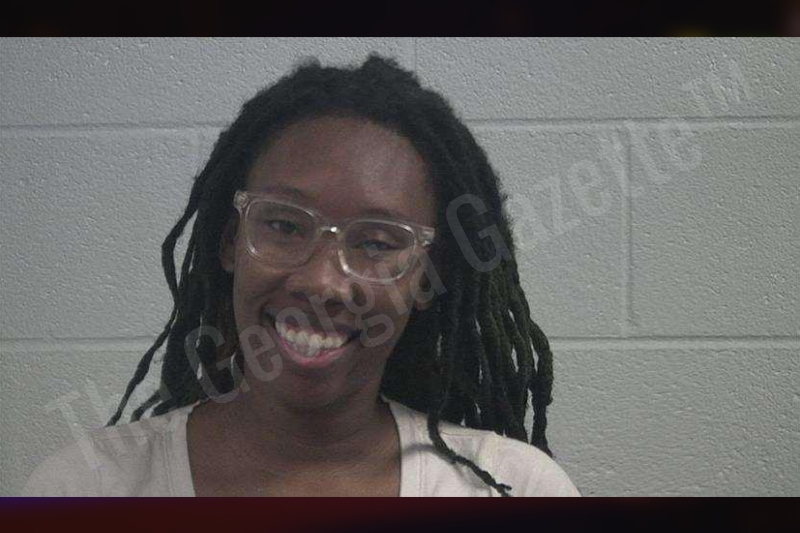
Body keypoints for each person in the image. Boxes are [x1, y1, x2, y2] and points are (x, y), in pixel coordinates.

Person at [23, 55, 579, 497]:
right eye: (285, 225)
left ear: (427, 276)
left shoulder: (514, 490)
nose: (321, 282)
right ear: (230, 241)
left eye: (377, 242)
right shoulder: (86, 489)